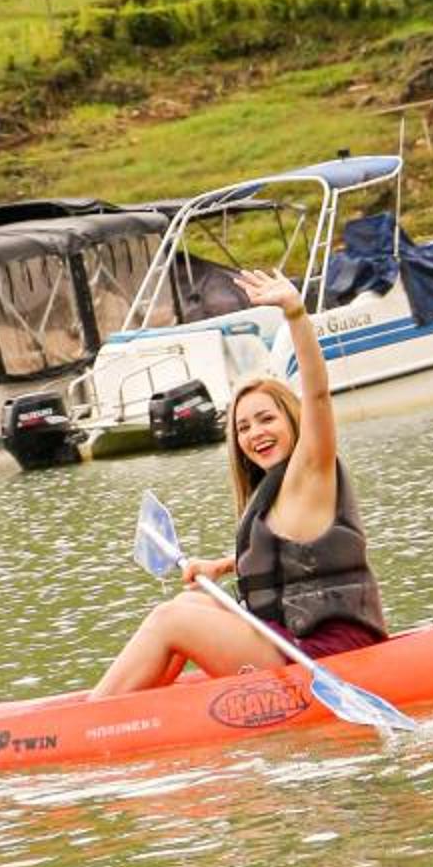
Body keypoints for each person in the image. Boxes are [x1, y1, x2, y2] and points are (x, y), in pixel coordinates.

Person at [92, 267, 387, 695]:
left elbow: (318, 394)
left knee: (170, 620)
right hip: (291, 642)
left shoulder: (313, 471)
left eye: (266, 419)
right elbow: (294, 556)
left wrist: (296, 315)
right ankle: (138, 710)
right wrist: (222, 566)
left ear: (291, 420)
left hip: (326, 654)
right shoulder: (276, 495)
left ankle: (95, 714)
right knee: (191, 601)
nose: (255, 434)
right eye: (244, 427)